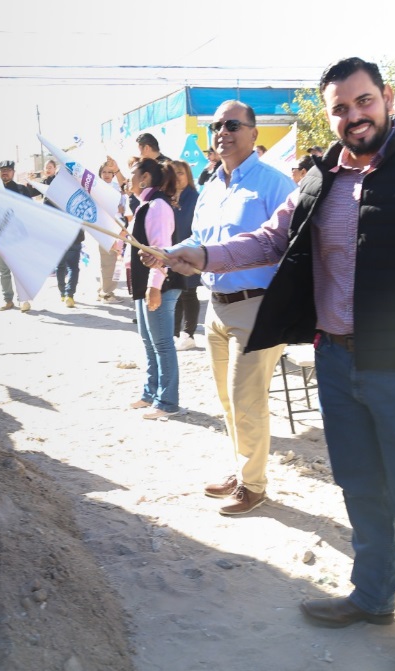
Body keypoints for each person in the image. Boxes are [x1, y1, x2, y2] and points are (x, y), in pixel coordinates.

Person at [157, 57, 395, 671]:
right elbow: (272, 239)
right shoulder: (322, 174)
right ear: (327, 116)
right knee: (358, 486)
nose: (353, 116)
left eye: (363, 102)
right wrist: (200, 253)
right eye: (340, 108)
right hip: (337, 360)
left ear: (384, 99)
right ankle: (374, 594)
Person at [162, 99, 296, 515]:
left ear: (254, 133)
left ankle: (254, 486)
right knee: (226, 400)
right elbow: (200, 246)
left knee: (247, 400)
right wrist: (166, 254)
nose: (223, 132)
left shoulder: (275, 185)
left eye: (233, 124)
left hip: (257, 308)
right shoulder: (211, 188)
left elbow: (290, 247)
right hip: (215, 308)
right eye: (217, 125)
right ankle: (241, 471)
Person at [127, 158, 184, 420]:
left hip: (161, 284)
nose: (128, 178)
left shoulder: (158, 206)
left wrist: (154, 287)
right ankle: (151, 393)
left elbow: (160, 250)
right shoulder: (144, 205)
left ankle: (167, 401)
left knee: (162, 343)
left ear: (145, 178)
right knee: (149, 343)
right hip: (144, 284)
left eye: (132, 173)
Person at [0, 159, 38, 312]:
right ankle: (8, 300)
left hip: (18, 237)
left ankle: (24, 300)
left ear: (13, 172)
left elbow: (30, 213)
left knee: (19, 269)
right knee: (4, 272)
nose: (5, 172)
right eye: (2, 170)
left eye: (8, 170)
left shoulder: (21, 190)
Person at [170, 160, 200, 351]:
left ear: (188, 175)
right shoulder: (167, 197)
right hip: (171, 252)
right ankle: (173, 334)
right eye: (173, 173)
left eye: (181, 173)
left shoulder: (195, 197)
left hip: (189, 250)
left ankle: (189, 334)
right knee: (175, 295)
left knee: (189, 293)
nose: (177, 177)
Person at [47, 159, 84, 308]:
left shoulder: (53, 191)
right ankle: (68, 294)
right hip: (68, 234)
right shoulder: (79, 191)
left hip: (66, 234)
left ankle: (65, 294)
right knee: (71, 267)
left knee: (63, 266)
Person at [94, 161, 125, 303]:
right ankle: (107, 293)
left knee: (113, 261)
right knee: (108, 261)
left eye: (109, 172)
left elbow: (123, 207)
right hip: (105, 228)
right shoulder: (96, 189)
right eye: (104, 172)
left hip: (118, 228)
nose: (107, 175)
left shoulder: (116, 187)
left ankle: (104, 289)